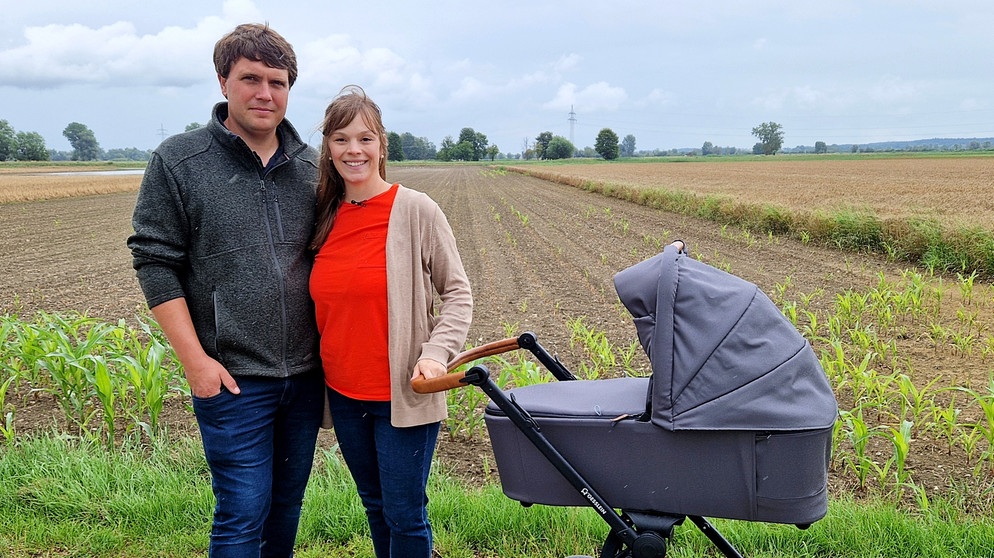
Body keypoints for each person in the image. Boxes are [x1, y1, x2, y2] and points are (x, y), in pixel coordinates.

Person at [127, 23, 323, 558]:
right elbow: (155, 261)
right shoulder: (180, 161)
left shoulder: (313, 166)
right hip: (231, 378)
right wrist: (196, 363)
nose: (265, 93)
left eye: (278, 82)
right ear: (223, 82)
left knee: (286, 507)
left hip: (306, 378)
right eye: (251, 79)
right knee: (241, 510)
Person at [308, 85, 473, 558]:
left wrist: (435, 356)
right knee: (375, 505)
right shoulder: (323, 214)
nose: (353, 150)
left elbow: (458, 293)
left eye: (365, 138)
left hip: (403, 393)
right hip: (343, 393)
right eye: (341, 139)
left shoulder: (416, 209)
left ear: (382, 145)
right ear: (329, 148)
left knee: (404, 513)